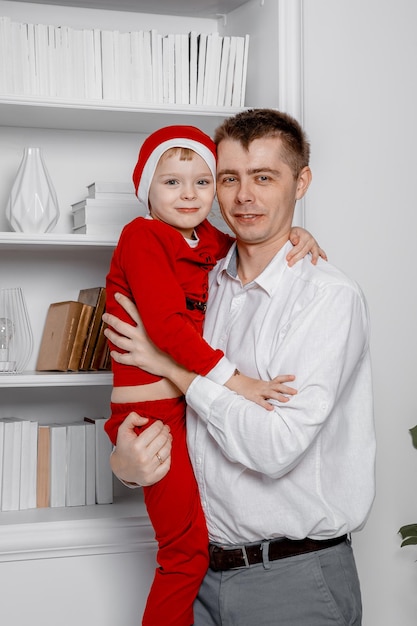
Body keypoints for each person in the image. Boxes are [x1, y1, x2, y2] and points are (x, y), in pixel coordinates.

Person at [105, 108, 376, 626]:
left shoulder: (326, 298)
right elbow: (177, 433)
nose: (244, 196)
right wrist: (126, 467)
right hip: (201, 575)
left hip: (293, 580)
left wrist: (176, 370)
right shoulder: (204, 278)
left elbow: (272, 449)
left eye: (264, 177)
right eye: (230, 178)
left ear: (302, 183)